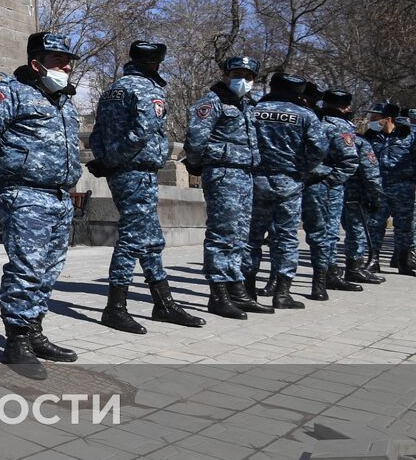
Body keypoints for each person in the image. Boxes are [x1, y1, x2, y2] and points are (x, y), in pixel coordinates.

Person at [0, 31, 83, 380]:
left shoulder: (65, 101)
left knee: (49, 269)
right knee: (27, 268)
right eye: (57, 60)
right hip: (25, 194)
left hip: (59, 195)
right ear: (37, 63)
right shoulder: (11, 93)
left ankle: (34, 330)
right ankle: (16, 340)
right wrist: (6, 170)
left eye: (68, 60)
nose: (65, 66)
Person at [88, 41, 204, 333]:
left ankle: (163, 302)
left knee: (150, 239)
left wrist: (106, 160)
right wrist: (113, 160)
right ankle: (115, 308)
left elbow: (98, 132)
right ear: (155, 63)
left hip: (122, 170)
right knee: (132, 238)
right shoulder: (146, 88)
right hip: (135, 170)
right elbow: (142, 132)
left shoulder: (112, 89)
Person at [183, 56, 270, 318]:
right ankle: (218, 294)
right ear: (225, 74)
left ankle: (237, 289)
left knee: (239, 235)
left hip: (245, 175)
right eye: (237, 74)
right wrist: (201, 164)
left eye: (248, 75)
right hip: (223, 174)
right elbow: (196, 140)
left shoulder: (247, 106)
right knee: (222, 235)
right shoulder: (211, 102)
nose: (242, 80)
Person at [246, 72, 330, 309]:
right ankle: (282, 293)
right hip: (289, 182)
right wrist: (301, 169)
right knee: (286, 238)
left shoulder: (253, 111)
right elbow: (318, 149)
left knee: (251, 238)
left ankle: (249, 290)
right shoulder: (305, 115)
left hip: (256, 179)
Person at [303, 89, 362, 299]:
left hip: (321, 183)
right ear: (346, 107)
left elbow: (348, 162)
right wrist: (330, 181)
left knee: (323, 232)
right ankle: (327, 274)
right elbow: (350, 161)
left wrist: (328, 180)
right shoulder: (339, 126)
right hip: (322, 185)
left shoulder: (316, 119)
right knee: (326, 232)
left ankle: (328, 273)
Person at [367, 104, 415, 275]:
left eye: (376, 118)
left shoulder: (408, 136)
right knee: (374, 225)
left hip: (402, 187)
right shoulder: (372, 136)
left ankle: (404, 262)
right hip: (378, 187)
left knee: (404, 226)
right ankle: (374, 260)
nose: (372, 121)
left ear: (388, 119)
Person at [342, 112, 386, 286]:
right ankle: (355, 268)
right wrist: (376, 198)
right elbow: (371, 176)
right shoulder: (362, 144)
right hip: (357, 196)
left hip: (336, 193)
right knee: (357, 232)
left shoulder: (336, 139)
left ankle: (329, 270)